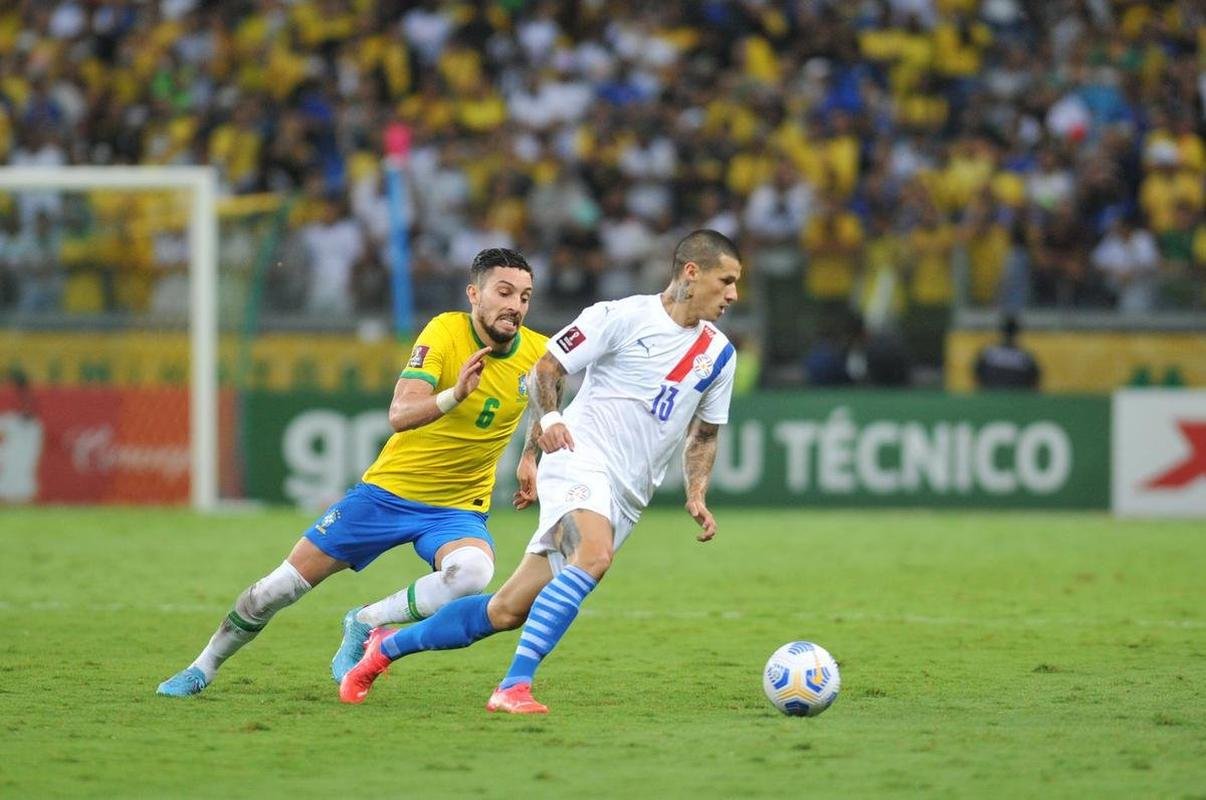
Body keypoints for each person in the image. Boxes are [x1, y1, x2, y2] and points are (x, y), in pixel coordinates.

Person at [339, 229, 743, 713]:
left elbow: (705, 433)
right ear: (691, 273)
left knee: (505, 610)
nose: (734, 295)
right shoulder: (617, 316)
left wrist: (696, 492)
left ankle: (383, 650)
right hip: (579, 456)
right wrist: (549, 421)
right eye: (728, 280)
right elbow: (547, 368)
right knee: (593, 556)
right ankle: (513, 687)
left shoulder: (721, 354)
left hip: (628, 496)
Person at [156, 248, 548, 696]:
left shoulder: (538, 351)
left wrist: (529, 456)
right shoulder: (444, 331)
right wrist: (454, 394)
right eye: (504, 292)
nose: (515, 306)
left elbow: (545, 396)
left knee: (474, 571)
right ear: (474, 295)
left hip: (455, 509)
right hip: (385, 496)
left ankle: (366, 622)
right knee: (278, 589)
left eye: (525, 297)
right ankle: (202, 667)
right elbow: (400, 413)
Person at [973, 314, 1040, 390]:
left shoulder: (988, 353)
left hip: (992, 396)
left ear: (1001, 331)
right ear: (1017, 333)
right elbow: (1035, 381)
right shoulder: (1024, 357)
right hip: (1017, 398)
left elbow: (977, 376)